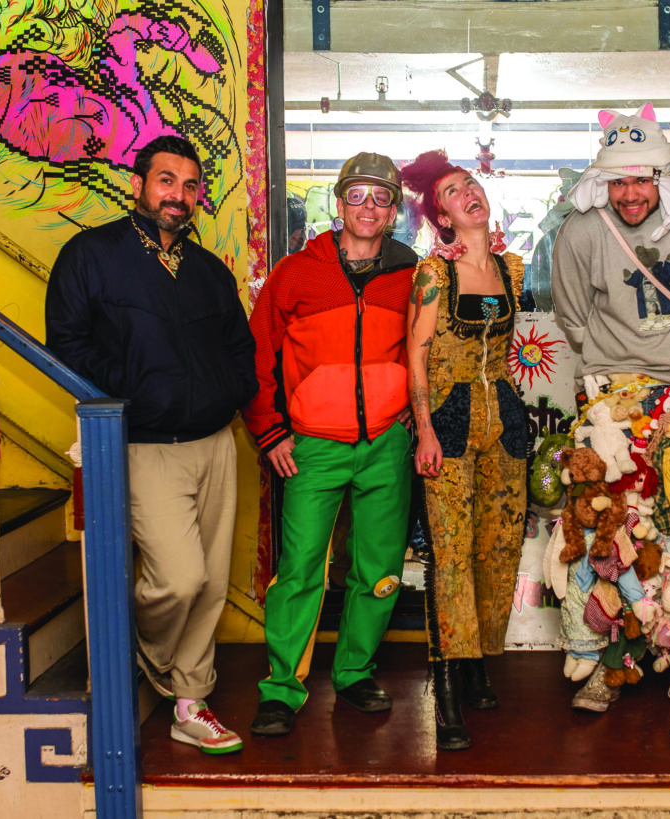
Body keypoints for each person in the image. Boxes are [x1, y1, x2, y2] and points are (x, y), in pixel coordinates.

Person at [45, 134, 257, 754]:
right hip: (144, 443)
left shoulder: (207, 270)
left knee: (211, 584)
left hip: (215, 441)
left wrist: (231, 392)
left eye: (190, 186)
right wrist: (135, 390)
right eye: (167, 181)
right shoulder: (92, 255)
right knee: (179, 579)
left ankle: (190, 701)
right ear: (137, 184)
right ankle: (150, 654)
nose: (178, 196)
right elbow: (67, 344)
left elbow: (240, 349)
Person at [550, 102, 670, 713]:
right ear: (602, 182)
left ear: (662, 176)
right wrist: (615, 373)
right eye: (617, 182)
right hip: (610, 399)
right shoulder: (582, 230)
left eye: (641, 180)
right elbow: (572, 317)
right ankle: (609, 665)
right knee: (604, 530)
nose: (630, 194)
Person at [243, 153, 417, 737]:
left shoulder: (411, 275)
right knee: (299, 570)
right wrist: (269, 430)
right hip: (312, 446)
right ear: (339, 203)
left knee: (378, 569)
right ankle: (281, 688)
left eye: (381, 197)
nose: (368, 207)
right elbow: (257, 354)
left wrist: (415, 413)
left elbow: (430, 352)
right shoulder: (297, 273)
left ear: (393, 211)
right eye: (357, 195)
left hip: (386, 443)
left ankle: (355, 672)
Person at [400, 150, 527, 751]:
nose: (468, 192)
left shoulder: (511, 269)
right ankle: (446, 683)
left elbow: (502, 350)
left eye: (470, 182)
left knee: (496, 547)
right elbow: (417, 353)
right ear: (443, 217)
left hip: (503, 418)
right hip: (448, 421)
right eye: (452, 191)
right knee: (449, 552)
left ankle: (478, 662)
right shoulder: (434, 274)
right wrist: (424, 429)